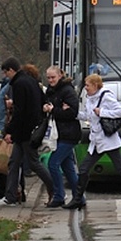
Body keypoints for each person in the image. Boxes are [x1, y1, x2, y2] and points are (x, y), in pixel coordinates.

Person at [63, 73, 121, 210]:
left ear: (95, 85)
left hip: (108, 140)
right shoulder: (89, 99)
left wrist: (102, 112)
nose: (85, 88)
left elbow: (119, 112)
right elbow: (88, 116)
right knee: (83, 169)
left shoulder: (106, 96)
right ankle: (77, 199)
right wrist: (72, 112)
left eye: (87, 85)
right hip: (96, 141)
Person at [0, 58, 53, 208]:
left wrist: (9, 131)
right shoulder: (31, 81)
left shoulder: (19, 84)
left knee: (33, 163)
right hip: (29, 130)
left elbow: (20, 112)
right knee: (14, 163)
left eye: (6, 73)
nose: (6, 77)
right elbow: (40, 102)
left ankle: (55, 189)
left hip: (24, 132)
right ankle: (10, 196)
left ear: (11, 70)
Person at [42, 66, 80, 208]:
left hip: (68, 134)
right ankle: (79, 197)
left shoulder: (67, 91)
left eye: (53, 77)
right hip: (59, 134)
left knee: (53, 163)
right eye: (49, 77)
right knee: (68, 167)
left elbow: (72, 113)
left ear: (60, 76)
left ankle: (59, 196)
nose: (51, 80)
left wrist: (53, 110)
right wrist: (48, 108)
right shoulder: (52, 91)